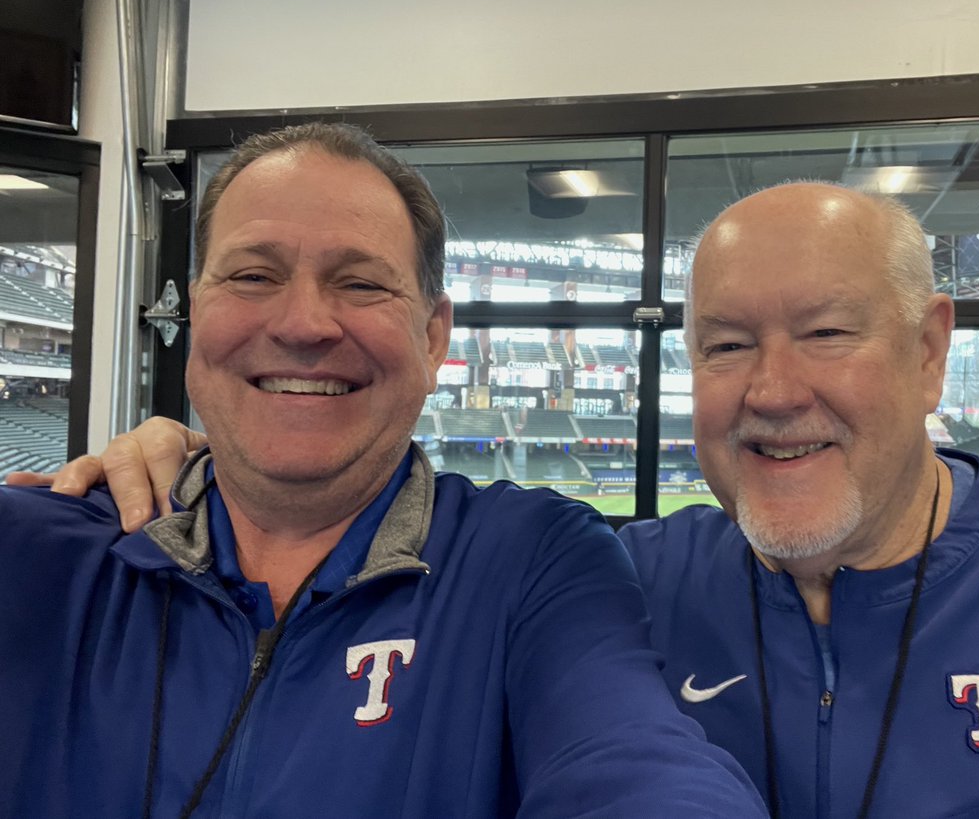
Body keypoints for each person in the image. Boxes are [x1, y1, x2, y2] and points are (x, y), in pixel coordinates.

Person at [27, 183, 979, 817]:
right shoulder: (610, 572)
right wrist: (193, 448)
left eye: (828, 334)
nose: (774, 390)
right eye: (727, 344)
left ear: (932, 349)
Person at [0, 123, 766, 819]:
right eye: (252, 276)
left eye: (361, 283)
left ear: (435, 337)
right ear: (197, 310)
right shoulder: (40, 551)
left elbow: (634, 763)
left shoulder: (531, 558)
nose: (302, 324)